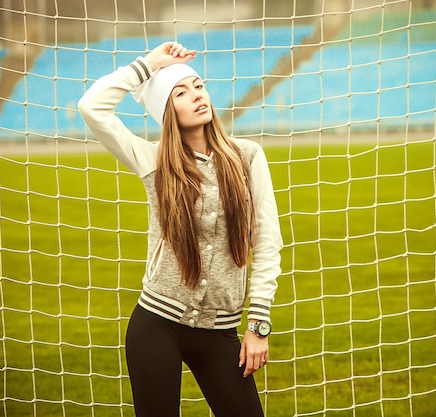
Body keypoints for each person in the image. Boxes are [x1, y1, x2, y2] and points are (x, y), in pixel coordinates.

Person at [78, 41, 283, 416]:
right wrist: (149, 64)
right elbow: (91, 107)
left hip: (221, 330)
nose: (197, 96)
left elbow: (267, 242)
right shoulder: (152, 161)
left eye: (199, 86)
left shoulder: (247, 155)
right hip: (156, 324)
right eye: (181, 92)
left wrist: (258, 325)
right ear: (165, 110)